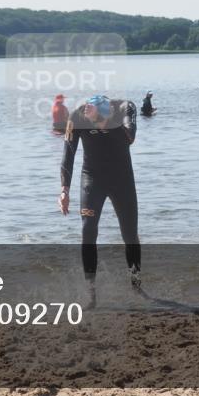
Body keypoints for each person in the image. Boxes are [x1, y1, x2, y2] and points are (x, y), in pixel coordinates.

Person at [59, 95, 140, 307]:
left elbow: (130, 137)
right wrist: (64, 190)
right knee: (87, 230)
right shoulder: (78, 115)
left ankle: (136, 284)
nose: (90, 115)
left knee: (129, 234)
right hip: (92, 178)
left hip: (122, 179)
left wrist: (105, 123)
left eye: (95, 115)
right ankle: (91, 293)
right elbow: (68, 153)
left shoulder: (125, 108)